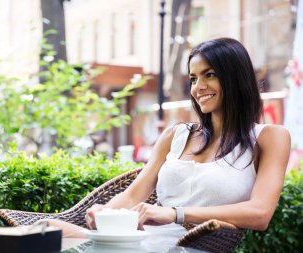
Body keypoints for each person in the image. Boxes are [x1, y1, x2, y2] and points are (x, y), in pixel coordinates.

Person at [44, 37, 291, 249]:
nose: (198, 87)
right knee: (45, 229)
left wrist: (174, 214)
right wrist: (104, 212)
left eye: (210, 75)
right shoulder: (176, 135)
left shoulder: (269, 137)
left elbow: (260, 214)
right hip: (136, 240)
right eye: (193, 78)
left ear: (235, 78)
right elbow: (133, 194)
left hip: (185, 247)